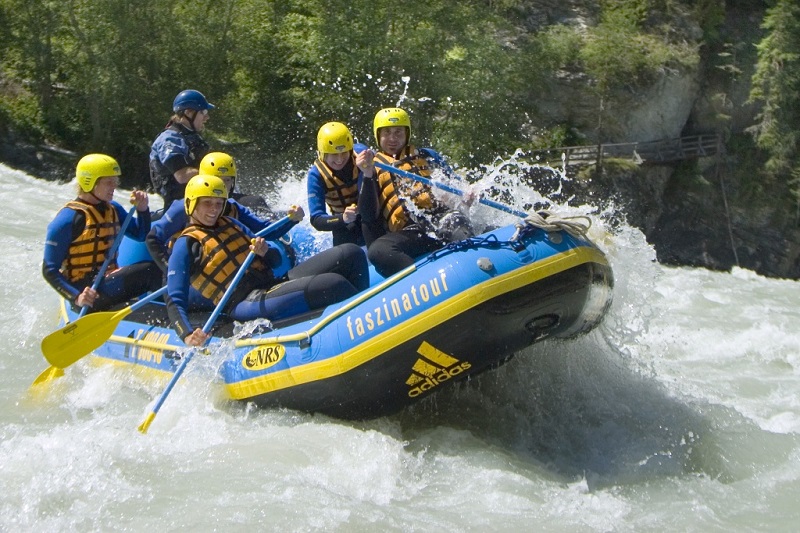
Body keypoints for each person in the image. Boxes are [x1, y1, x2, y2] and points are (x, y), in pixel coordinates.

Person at [167, 174, 370, 346]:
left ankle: (370, 318)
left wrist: (264, 252)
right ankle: (363, 331)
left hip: (272, 283)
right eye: (207, 203)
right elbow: (174, 299)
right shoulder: (186, 245)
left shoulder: (232, 224)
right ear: (191, 204)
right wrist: (186, 334)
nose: (213, 209)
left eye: (218, 203)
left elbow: (273, 262)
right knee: (332, 284)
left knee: (351, 254)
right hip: (244, 301)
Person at [359, 107, 474, 277]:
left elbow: (457, 185)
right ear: (378, 136)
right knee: (379, 251)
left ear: (407, 134)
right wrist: (367, 174)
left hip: (442, 218)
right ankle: (424, 282)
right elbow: (368, 216)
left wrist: (467, 194)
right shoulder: (371, 168)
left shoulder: (427, 155)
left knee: (456, 223)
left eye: (398, 132)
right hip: (411, 233)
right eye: (387, 133)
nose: (393, 138)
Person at [42, 154, 161, 312]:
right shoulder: (68, 219)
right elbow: (49, 269)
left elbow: (141, 235)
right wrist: (75, 297)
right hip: (86, 293)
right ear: (90, 182)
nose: (114, 186)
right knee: (150, 271)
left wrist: (143, 210)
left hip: (108, 282)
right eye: (108, 182)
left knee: (154, 269)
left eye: (115, 181)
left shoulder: (113, 209)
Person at [146, 151, 299, 274]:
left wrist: (292, 219)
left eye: (227, 180)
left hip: (223, 278)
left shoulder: (232, 206)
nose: (222, 186)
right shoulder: (184, 207)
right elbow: (153, 238)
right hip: (192, 277)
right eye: (217, 179)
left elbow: (266, 231)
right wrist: (170, 271)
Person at [306, 122, 374, 246]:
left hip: (371, 214)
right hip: (344, 225)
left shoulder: (362, 154)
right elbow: (316, 219)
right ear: (322, 154)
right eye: (334, 154)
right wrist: (343, 218)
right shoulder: (316, 175)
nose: (339, 159)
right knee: (343, 234)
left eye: (344, 153)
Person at [149, 89, 214, 209]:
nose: (207, 117)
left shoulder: (193, 138)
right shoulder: (169, 139)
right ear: (188, 112)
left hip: (201, 198)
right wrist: (216, 173)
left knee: (253, 201)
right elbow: (182, 175)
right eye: (203, 112)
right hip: (178, 204)